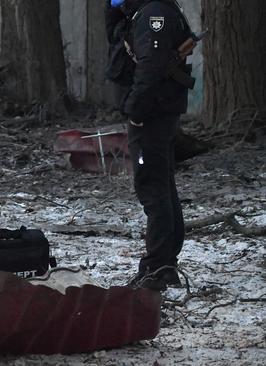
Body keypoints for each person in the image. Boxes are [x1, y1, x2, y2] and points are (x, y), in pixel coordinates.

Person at [112, 0, 194, 290]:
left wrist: (136, 111)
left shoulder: (153, 14)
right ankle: (164, 263)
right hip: (157, 113)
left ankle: (158, 268)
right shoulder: (147, 12)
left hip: (151, 116)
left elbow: (151, 67)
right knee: (161, 184)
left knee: (153, 187)